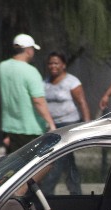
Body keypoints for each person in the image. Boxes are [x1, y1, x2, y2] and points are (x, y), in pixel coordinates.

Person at [41, 51, 92, 194]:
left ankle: (46, 192)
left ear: (63, 65)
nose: (52, 66)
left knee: (57, 160)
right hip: (52, 126)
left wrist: (87, 124)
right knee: (67, 162)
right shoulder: (45, 82)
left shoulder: (71, 81)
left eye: (56, 63)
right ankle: (76, 193)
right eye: (50, 63)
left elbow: (82, 102)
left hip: (68, 125)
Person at [0, 33, 56, 154]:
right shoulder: (30, 71)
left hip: (10, 127)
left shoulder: (2, 67)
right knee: (36, 167)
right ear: (29, 51)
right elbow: (38, 100)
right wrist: (51, 123)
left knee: (13, 167)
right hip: (30, 129)